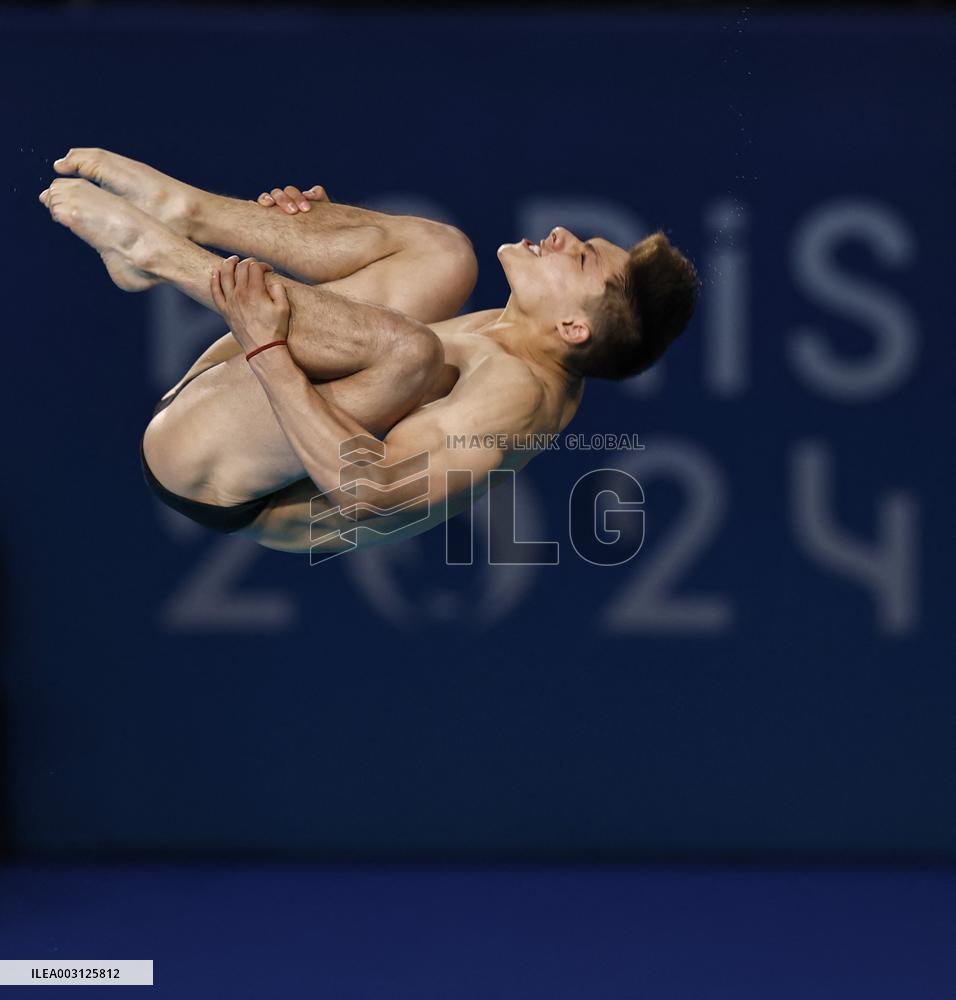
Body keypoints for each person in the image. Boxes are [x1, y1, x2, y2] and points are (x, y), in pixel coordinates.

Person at [39, 148, 700, 555]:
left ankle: (162, 255)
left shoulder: (517, 398)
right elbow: (355, 330)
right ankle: (187, 213)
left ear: (573, 329)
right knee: (444, 256)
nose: (560, 234)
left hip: (216, 474)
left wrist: (267, 346)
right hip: (236, 401)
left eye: (580, 256)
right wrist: (330, 229)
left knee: (408, 353)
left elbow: (370, 493)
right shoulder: (512, 333)